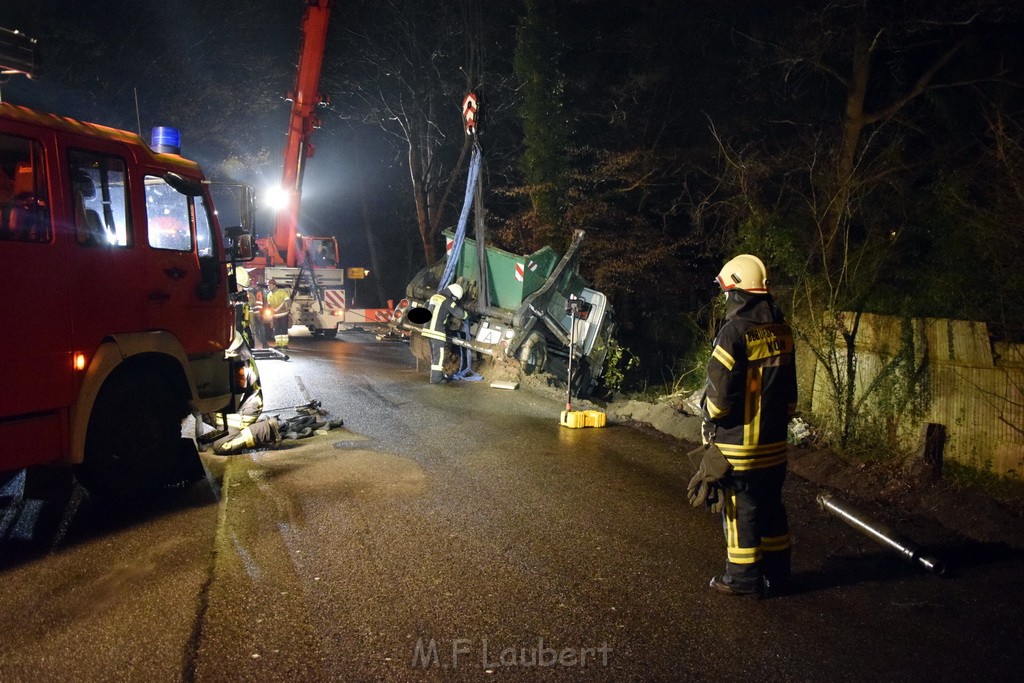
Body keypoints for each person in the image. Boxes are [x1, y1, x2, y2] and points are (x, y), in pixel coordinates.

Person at [700, 254, 798, 597]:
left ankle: (742, 580)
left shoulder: (732, 333)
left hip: (739, 448)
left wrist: (708, 416)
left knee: (739, 511)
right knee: (772, 509)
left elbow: (719, 399)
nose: (726, 298)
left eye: (728, 291)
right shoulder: (781, 329)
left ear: (738, 291)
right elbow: (790, 398)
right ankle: (777, 576)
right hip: (774, 448)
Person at [422, 283, 468, 384]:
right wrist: (467, 314)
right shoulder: (448, 300)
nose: (455, 300)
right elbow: (459, 314)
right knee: (439, 354)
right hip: (437, 331)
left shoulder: (434, 297)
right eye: (455, 298)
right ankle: (436, 379)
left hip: (427, 329)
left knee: (434, 354)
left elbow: (425, 306)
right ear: (452, 295)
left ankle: (435, 376)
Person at [266, 278, 292, 349]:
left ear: (274, 285)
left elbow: (288, 300)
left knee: (284, 329)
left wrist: (288, 308)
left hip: (283, 314)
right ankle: (278, 344)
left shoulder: (282, 292)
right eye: (268, 285)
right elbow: (269, 305)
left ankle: (284, 344)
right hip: (275, 315)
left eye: (270, 285)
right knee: (276, 329)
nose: (269, 287)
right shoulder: (269, 295)